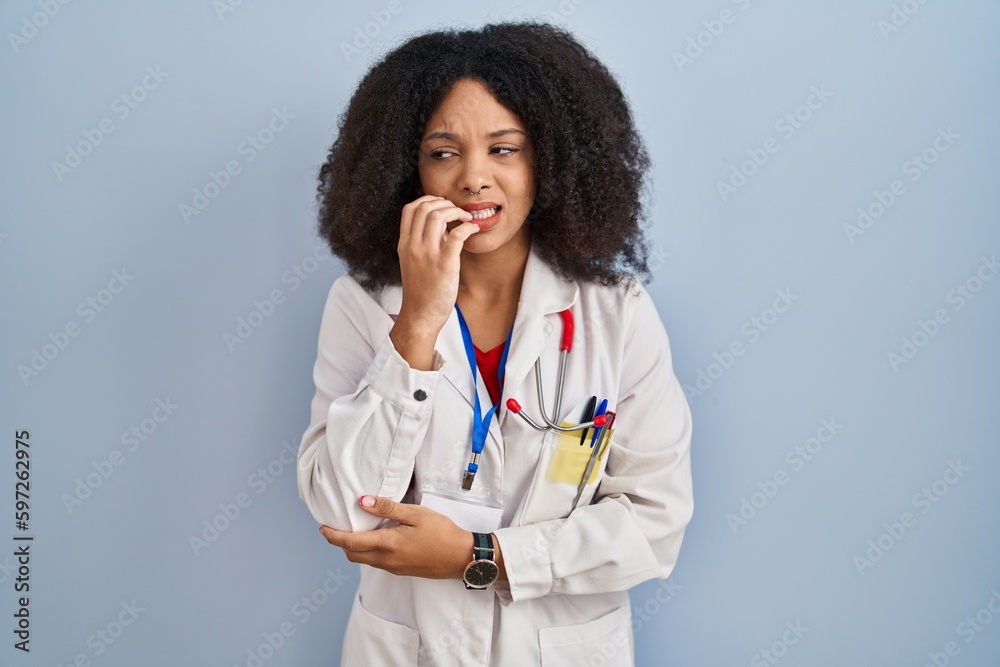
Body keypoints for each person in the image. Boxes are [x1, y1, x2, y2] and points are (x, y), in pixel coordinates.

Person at [296, 21, 693, 666]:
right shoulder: (365, 304)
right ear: (406, 167)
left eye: (505, 149)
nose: (473, 179)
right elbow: (345, 508)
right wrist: (417, 323)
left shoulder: (616, 313)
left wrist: (481, 558)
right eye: (443, 152)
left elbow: (655, 524)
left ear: (552, 160)